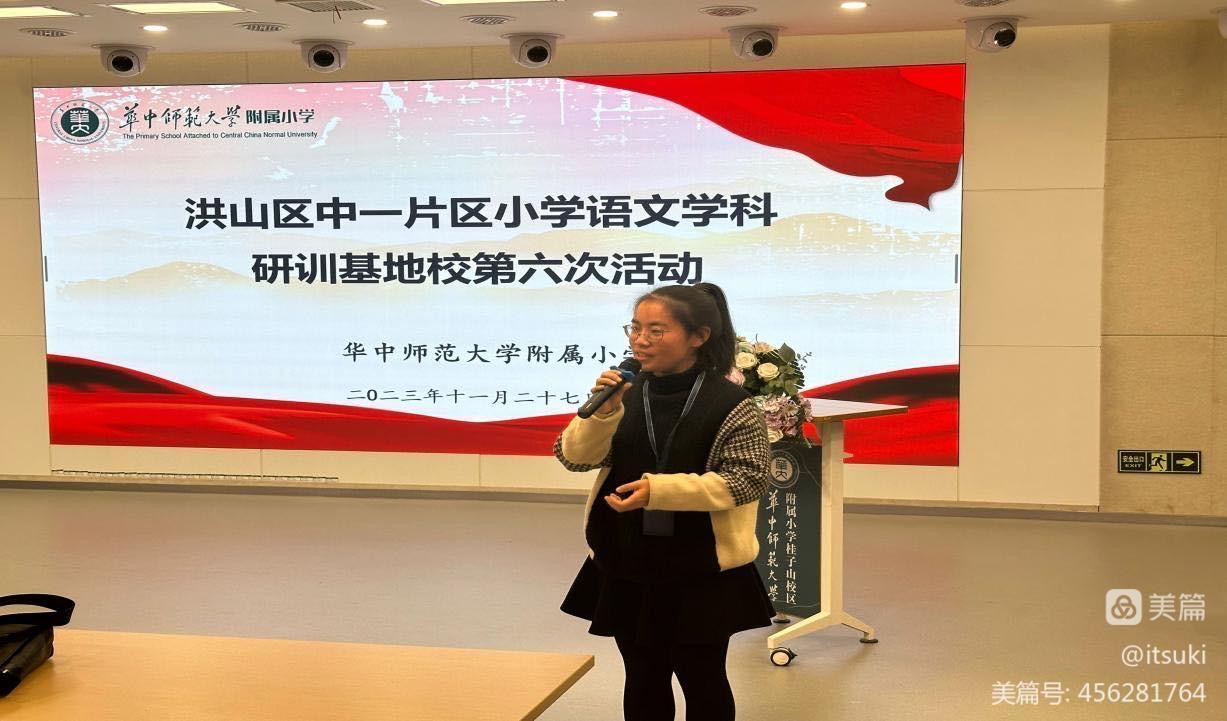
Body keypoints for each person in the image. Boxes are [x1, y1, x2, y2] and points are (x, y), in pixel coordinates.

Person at [555, 282, 774, 721]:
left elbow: (747, 480)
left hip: (700, 564)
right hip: (626, 556)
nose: (640, 340)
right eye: (635, 328)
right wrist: (602, 414)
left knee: (702, 677)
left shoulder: (732, 402)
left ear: (699, 336)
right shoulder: (624, 392)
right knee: (642, 675)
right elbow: (574, 458)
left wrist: (660, 491)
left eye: (656, 331)